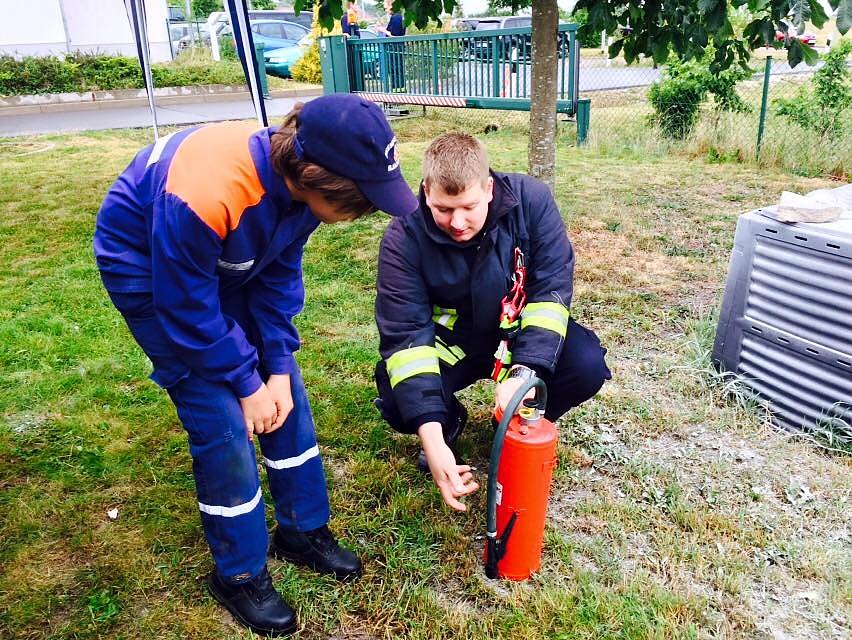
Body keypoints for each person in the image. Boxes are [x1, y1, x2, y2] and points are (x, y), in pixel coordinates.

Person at [93, 95, 418, 638]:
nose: (364, 213)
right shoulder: (207, 192)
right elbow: (187, 307)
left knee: (285, 396)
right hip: (150, 269)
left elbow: (276, 273)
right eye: (362, 200)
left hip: (219, 256)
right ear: (319, 178)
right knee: (220, 419)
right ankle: (238, 573)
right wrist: (244, 383)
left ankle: (301, 530)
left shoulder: (298, 192)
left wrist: (274, 365)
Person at [373, 133, 611, 511]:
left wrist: (525, 371)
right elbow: (406, 336)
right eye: (443, 209)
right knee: (396, 392)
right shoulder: (403, 234)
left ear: (488, 188)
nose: (457, 222)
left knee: (585, 365)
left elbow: (550, 290)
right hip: (454, 342)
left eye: (468, 206)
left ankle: (519, 426)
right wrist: (432, 440)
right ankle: (448, 423)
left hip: (514, 333)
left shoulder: (531, 201)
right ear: (426, 190)